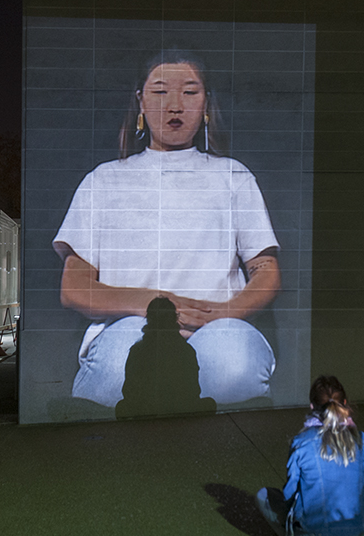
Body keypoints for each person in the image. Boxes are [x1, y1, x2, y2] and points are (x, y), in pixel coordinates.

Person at [52, 50, 281, 408]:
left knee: (234, 366)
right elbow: (75, 287)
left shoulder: (233, 177)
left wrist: (222, 313)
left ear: (207, 103)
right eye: (160, 92)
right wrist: (152, 303)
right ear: (140, 101)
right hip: (129, 324)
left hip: (216, 326)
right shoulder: (104, 180)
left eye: (190, 92)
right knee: (119, 371)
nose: (175, 105)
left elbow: (266, 272)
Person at [256, 376, 364, 536]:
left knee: (264, 496)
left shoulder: (302, 443)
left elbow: (290, 494)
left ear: (312, 407)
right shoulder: (363, 440)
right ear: (344, 403)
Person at [115, 296, 216, 419]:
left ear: (149, 319)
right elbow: (193, 391)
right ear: (174, 317)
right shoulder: (186, 350)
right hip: (180, 411)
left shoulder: (137, 350)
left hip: (145, 412)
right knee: (209, 404)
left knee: (122, 407)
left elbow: (129, 391)